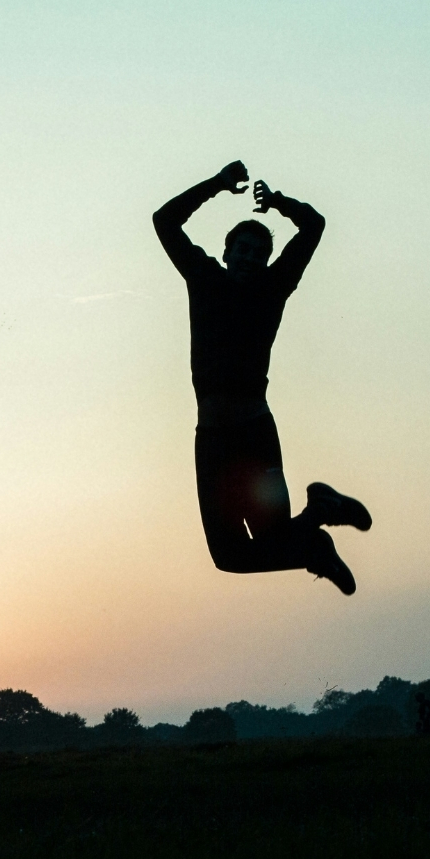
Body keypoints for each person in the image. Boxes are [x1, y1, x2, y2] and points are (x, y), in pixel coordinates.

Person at [153, 160, 371, 594]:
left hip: (253, 435)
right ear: (227, 253)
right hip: (212, 439)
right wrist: (216, 184)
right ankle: (316, 535)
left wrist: (276, 203)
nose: (252, 258)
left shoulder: (273, 288)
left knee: (270, 537)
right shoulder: (204, 277)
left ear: (268, 262)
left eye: (260, 253)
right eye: (244, 250)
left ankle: (316, 528)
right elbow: (165, 220)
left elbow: (313, 225)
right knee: (229, 558)